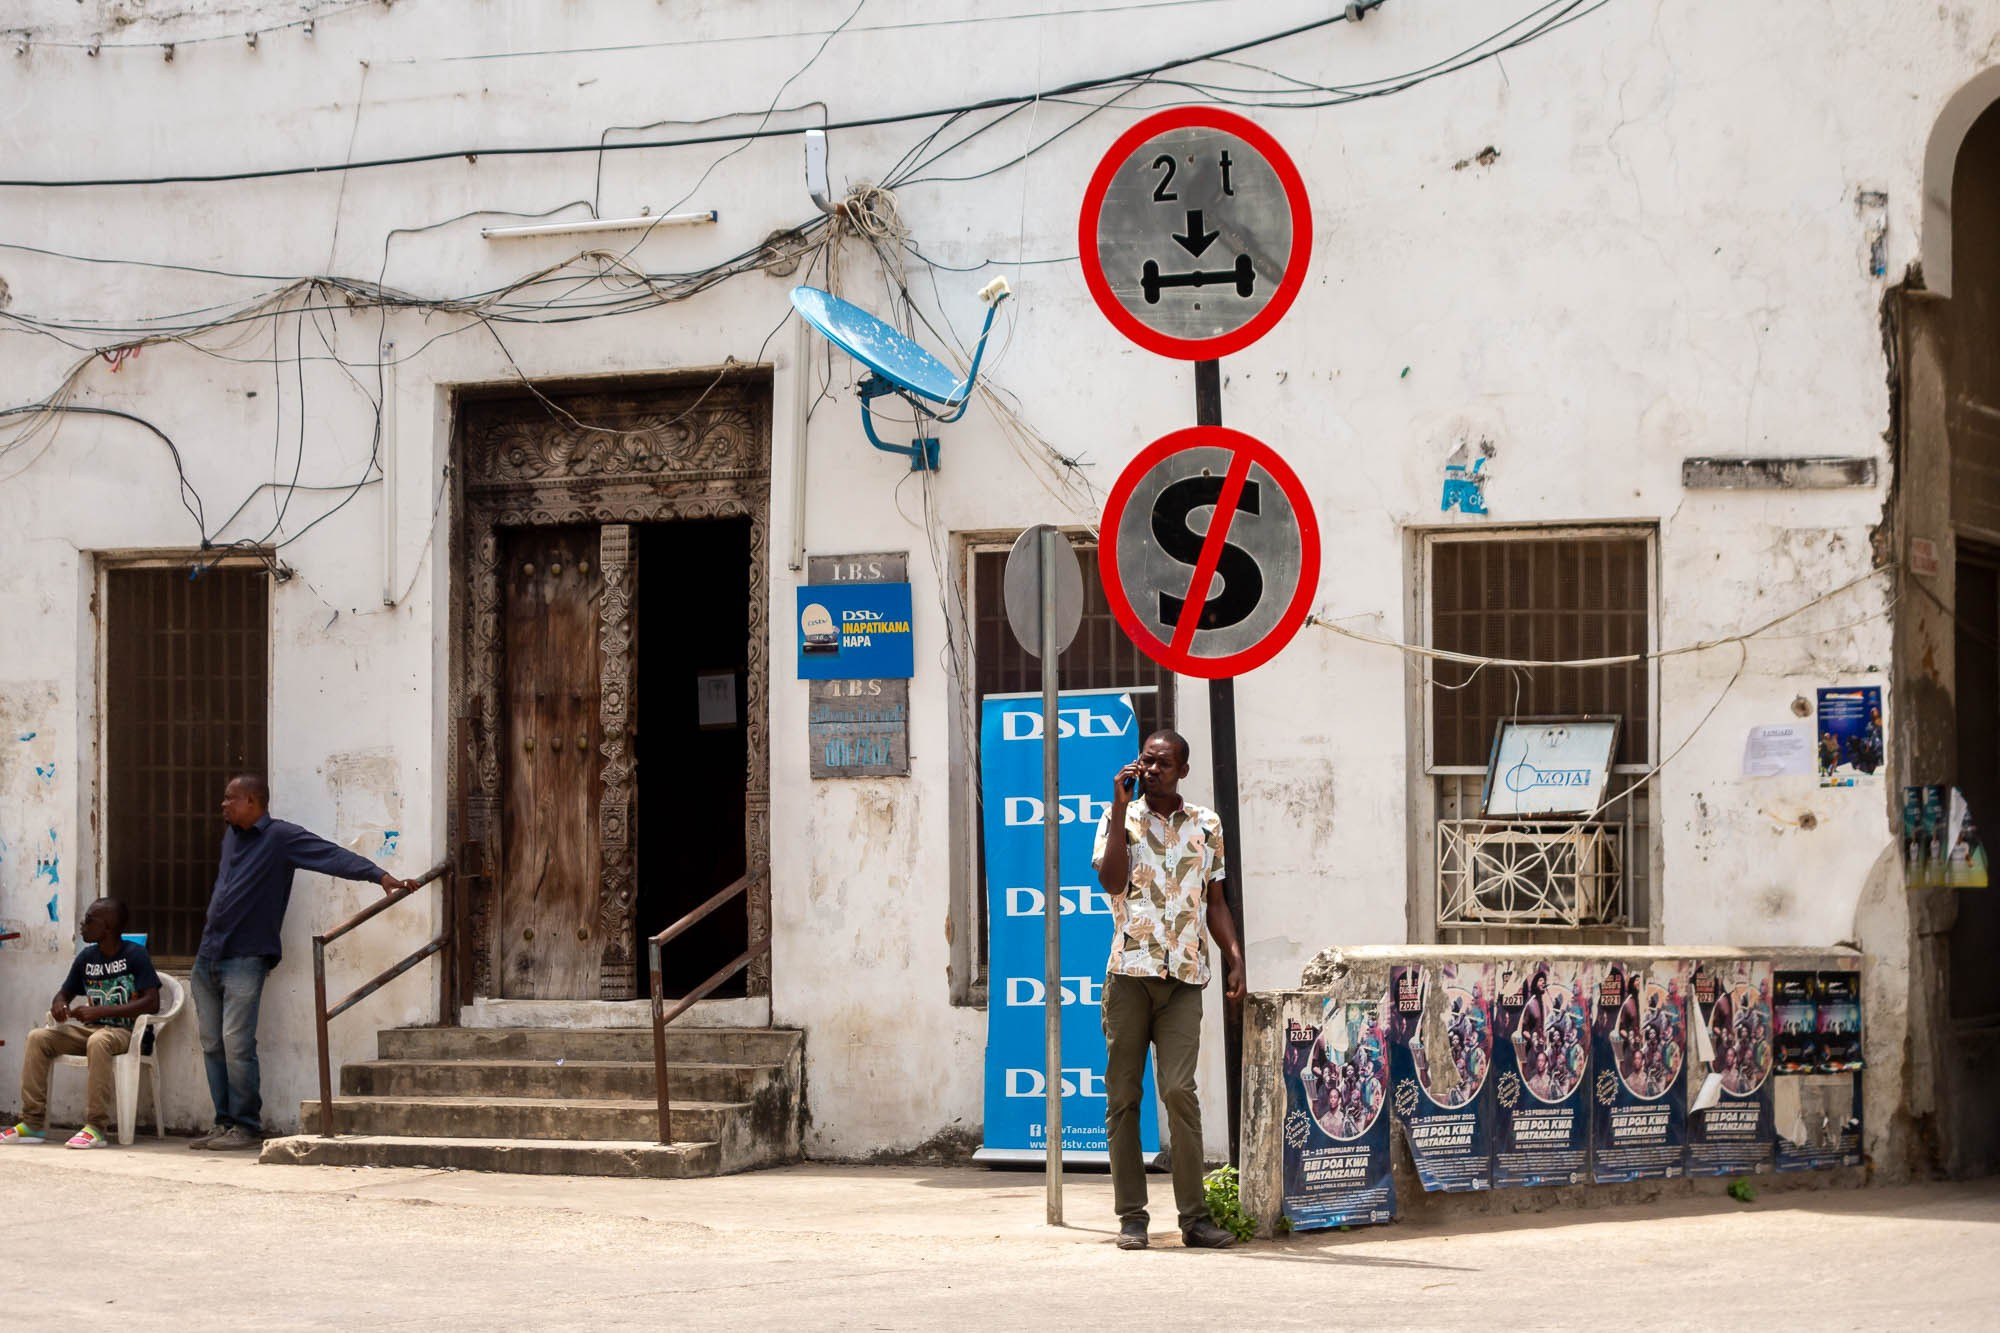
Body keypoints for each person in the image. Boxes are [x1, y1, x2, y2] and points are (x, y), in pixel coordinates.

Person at [189, 773, 419, 1151]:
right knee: (212, 1042)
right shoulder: (231, 836)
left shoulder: (280, 838)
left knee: (236, 1042)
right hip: (209, 954)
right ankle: (223, 1121)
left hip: (246, 957)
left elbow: (329, 855)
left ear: (252, 801)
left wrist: (378, 876)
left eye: (230, 799)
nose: (223, 805)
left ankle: (246, 1125)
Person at [1092, 728, 1245, 1252]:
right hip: (1130, 978)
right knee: (1124, 1098)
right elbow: (1111, 882)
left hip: (1184, 978)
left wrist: (1234, 956)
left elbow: (1215, 901)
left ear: (1182, 769)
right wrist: (1117, 808)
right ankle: (1132, 1218)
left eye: (1162, 763)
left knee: (1179, 1092)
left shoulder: (1206, 824)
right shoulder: (1122, 819)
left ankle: (1194, 1219)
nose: (1151, 769)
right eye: (1146, 761)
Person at [2, 898, 160, 1148]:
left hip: (123, 1032)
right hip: (89, 1030)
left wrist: (100, 1012)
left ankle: (96, 1127)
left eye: (88, 920)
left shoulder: (134, 955)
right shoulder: (87, 957)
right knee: (38, 1037)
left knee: (99, 1040)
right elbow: (64, 992)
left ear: (107, 927)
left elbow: (152, 1003)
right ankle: (32, 1123)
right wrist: (59, 1004)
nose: (82, 924)